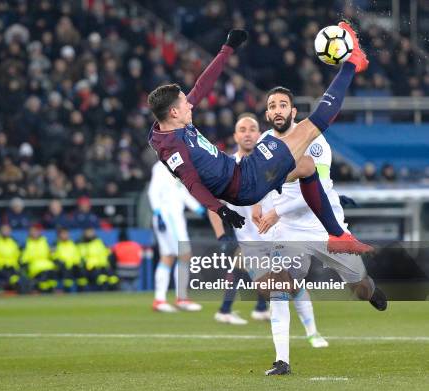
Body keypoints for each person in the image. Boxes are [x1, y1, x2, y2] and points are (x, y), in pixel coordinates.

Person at [147, 22, 371, 255]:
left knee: (305, 165)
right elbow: (192, 182)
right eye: (185, 103)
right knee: (309, 129)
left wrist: (227, 48)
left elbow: (201, 87)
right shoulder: (172, 148)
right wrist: (221, 211)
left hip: (242, 170)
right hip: (245, 183)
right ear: (173, 112)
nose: (190, 104)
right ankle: (353, 62)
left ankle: (336, 235)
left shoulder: (171, 123)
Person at [252, 87, 387, 375]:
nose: (277, 110)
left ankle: (369, 289)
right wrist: (259, 204)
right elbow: (261, 182)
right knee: (279, 289)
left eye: (283, 105)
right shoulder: (264, 144)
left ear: (293, 112)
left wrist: (276, 211)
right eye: (272, 105)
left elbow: (318, 190)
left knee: (360, 288)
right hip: (288, 233)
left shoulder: (314, 141)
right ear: (267, 114)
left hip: (324, 228)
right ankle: (282, 361)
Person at [209, 115, 330, 349]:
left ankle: (312, 333)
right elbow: (213, 206)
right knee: (277, 290)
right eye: (242, 129)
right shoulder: (227, 169)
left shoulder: (272, 163)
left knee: (293, 286)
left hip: (279, 238)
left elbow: (299, 189)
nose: (247, 133)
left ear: (260, 135)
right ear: (235, 136)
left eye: (252, 129)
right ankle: (248, 311)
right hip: (252, 246)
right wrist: (222, 236)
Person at [147, 159, 204, 312]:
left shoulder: (179, 167)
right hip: (168, 215)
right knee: (184, 254)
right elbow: (153, 191)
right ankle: (181, 298)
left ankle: (161, 300)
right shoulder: (161, 167)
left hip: (174, 216)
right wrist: (157, 212)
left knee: (169, 256)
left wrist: (198, 208)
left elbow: (182, 192)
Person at [21, 224, 57, 293]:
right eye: (33, 231)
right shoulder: (26, 243)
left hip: (47, 264)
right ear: (29, 232)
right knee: (44, 273)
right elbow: (24, 258)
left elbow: (50, 254)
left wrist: (53, 254)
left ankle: (51, 289)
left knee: (51, 272)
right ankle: (44, 291)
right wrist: (25, 264)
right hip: (34, 265)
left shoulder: (44, 241)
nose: (35, 233)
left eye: (36, 231)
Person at [52, 227, 87, 292]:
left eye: (66, 233)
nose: (65, 235)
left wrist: (79, 262)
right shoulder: (55, 244)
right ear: (59, 235)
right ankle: (67, 290)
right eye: (63, 234)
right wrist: (60, 262)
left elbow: (77, 254)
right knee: (66, 273)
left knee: (81, 272)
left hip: (74, 264)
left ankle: (82, 291)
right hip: (63, 265)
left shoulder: (73, 243)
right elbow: (54, 256)